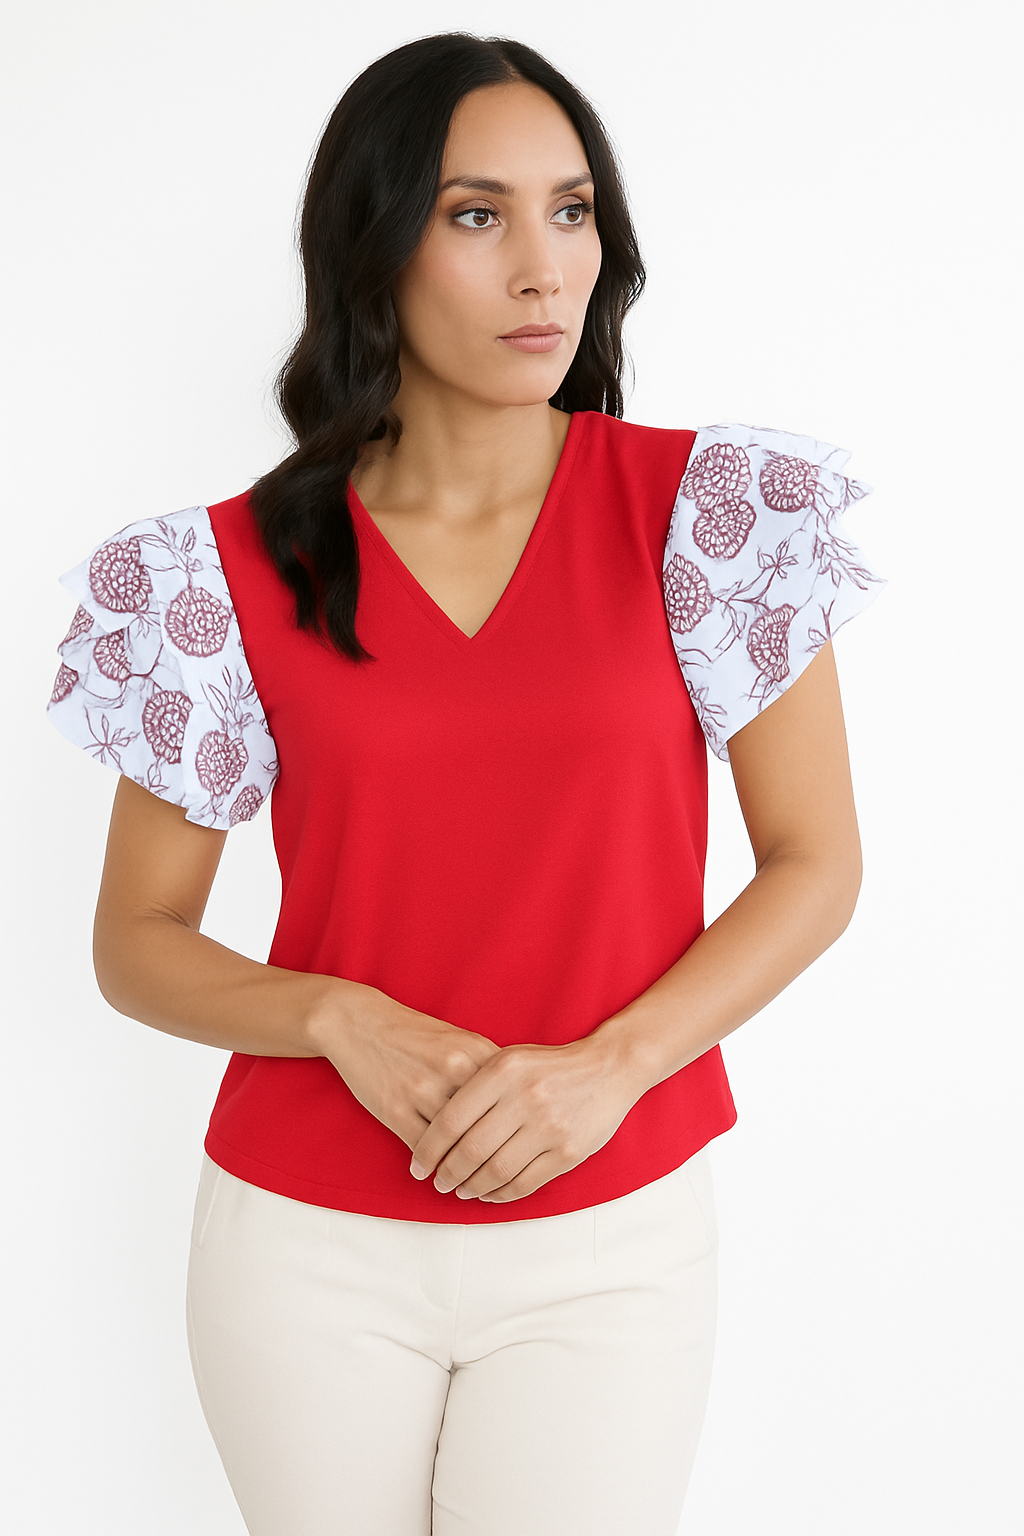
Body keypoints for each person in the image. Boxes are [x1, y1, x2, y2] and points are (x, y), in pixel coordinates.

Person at [45, 31, 883, 1536]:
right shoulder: (220, 576)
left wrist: (614, 1066)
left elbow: (816, 862)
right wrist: (334, 1015)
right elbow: (136, 942)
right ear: (373, 245)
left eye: (573, 211)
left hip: (612, 1232)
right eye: (477, 214)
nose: (543, 269)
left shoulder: (713, 520)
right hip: (305, 1244)